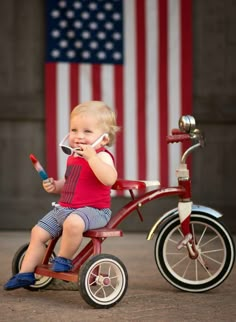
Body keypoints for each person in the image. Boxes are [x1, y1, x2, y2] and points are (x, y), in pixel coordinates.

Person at [4, 100, 119, 290]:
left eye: (87, 131)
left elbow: (109, 179)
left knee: (73, 223)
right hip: (66, 208)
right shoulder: (73, 156)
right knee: (38, 232)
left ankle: (64, 259)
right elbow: (70, 182)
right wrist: (56, 185)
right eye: (74, 130)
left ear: (104, 139)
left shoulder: (102, 156)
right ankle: (25, 273)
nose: (79, 136)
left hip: (94, 211)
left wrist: (92, 158)